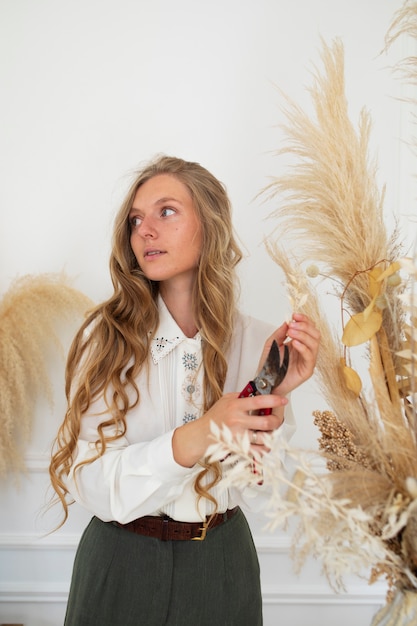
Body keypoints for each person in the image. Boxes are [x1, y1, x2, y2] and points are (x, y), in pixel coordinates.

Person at [49, 155, 320, 626]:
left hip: (222, 563)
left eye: (166, 211)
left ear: (209, 224)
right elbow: (89, 481)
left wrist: (275, 389)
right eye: (136, 219)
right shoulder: (104, 340)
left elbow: (259, 489)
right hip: (119, 562)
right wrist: (194, 438)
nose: (144, 231)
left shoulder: (259, 342)